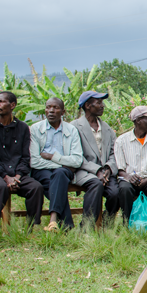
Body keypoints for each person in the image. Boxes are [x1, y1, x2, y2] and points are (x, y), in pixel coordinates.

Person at [0, 91, 44, 242]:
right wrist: (6, 177)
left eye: (1, 101)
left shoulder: (22, 128)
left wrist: (17, 177)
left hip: (17, 175)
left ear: (12, 105)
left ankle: (31, 228)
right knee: (0, 186)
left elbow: (26, 158)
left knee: (36, 187)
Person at [29, 97, 83, 230]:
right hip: (42, 170)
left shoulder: (71, 130)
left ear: (63, 112)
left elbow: (77, 160)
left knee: (58, 175)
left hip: (63, 172)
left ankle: (54, 220)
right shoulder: (35, 129)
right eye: (48, 107)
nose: (51, 111)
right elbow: (34, 161)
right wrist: (62, 163)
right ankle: (64, 225)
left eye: (55, 108)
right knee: (56, 180)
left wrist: (51, 156)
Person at [72, 91, 120, 228]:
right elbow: (75, 156)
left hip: (105, 172)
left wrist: (108, 169)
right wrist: (96, 170)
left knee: (115, 193)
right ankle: (87, 226)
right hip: (83, 170)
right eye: (98, 102)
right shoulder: (75, 127)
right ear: (87, 105)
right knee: (95, 185)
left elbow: (113, 152)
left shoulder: (107, 128)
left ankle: (106, 221)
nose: (102, 106)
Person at [115, 106, 147, 224]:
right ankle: (127, 223)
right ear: (138, 120)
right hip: (130, 180)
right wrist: (129, 177)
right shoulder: (121, 141)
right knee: (124, 188)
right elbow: (120, 168)